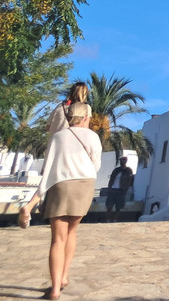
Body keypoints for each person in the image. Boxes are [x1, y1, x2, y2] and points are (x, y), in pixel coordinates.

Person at [18, 102, 101, 300]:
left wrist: (38, 194)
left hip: (61, 185)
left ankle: (55, 290)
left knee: (58, 239)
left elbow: (48, 167)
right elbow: (96, 165)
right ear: (86, 117)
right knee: (72, 231)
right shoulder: (92, 136)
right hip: (84, 185)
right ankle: (64, 277)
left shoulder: (57, 137)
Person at [105, 156, 134, 222]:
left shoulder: (128, 170)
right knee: (109, 206)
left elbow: (131, 180)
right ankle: (108, 220)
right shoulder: (116, 170)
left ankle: (115, 220)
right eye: (121, 160)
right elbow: (111, 179)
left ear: (126, 161)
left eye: (123, 160)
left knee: (119, 208)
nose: (122, 162)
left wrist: (125, 188)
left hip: (121, 191)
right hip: (112, 190)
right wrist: (109, 188)